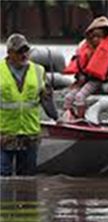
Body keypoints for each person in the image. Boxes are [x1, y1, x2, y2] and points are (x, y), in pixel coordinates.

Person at [0, 33, 59, 176]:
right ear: (9, 53)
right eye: (19, 51)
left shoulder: (39, 71)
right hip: (4, 135)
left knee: (27, 180)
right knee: (2, 178)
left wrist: (56, 117)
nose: (24, 55)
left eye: (26, 50)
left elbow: (47, 101)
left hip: (30, 136)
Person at [63, 16, 108, 119]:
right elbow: (80, 68)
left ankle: (80, 118)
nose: (96, 39)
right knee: (68, 97)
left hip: (96, 81)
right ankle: (68, 116)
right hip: (84, 80)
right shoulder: (84, 50)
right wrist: (78, 80)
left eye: (99, 37)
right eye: (93, 37)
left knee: (80, 97)